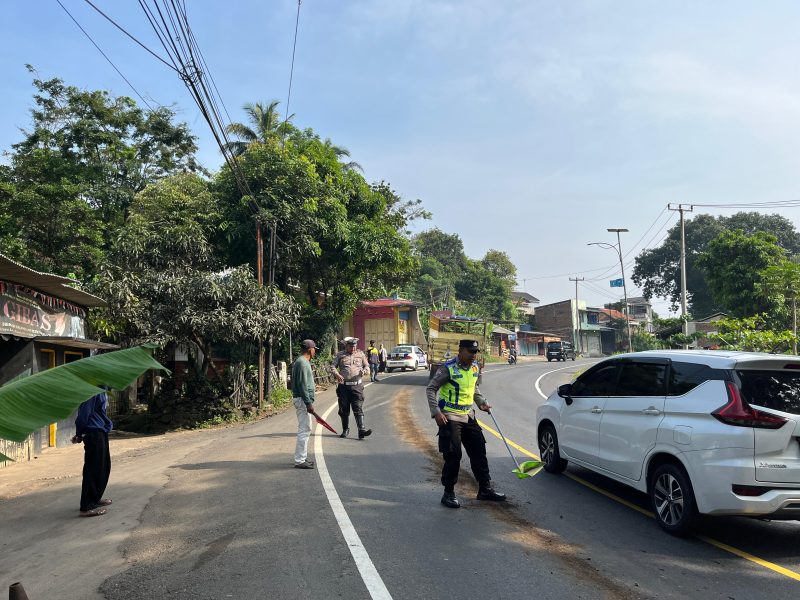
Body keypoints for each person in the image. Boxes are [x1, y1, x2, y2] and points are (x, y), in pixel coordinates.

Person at [426, 339, 506, 509]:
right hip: (450, 416)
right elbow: (431, 389)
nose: (473, 355)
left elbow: (474, 388)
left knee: (479, 451)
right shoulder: (448, 368)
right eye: (470, 352)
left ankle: (485, 489)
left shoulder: (475, 367)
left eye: (475, 352)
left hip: (468, 415)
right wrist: (436, 413)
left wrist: (481, 402)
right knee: (453, 454)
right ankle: (448, 493)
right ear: (461, 350)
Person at [71, 389, 113, 517]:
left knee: (103, 468)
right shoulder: (92, 391)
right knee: (92, 469)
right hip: (93, 433)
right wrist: (79, 434)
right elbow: (83, 416)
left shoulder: (102, 390)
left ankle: (95, 499)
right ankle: (86, 507)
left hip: (101, 432)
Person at [332, 337, 372, 439]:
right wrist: (336, 374)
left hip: (357, 386)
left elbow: (367, 366)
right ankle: (345, 429)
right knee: (344, 410)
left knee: (358, 408)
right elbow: (332, 367)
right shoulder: (340, 355)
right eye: (351, 347)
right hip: (344, 387)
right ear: (346, 346)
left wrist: (365, 371)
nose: (353, 349)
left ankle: (361, 430)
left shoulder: (361, 354)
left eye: (354, 347)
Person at [292, 339, 318, 469]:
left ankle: (302, 457)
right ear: (310, 349)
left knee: (306, 428)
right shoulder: (302, 363)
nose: (315, 352)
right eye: (314, 349)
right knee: (305, 429)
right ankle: (300, 460)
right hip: (303, 400)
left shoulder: (302, 362)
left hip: (302, 399)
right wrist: (308, 403)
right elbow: (302, 386)